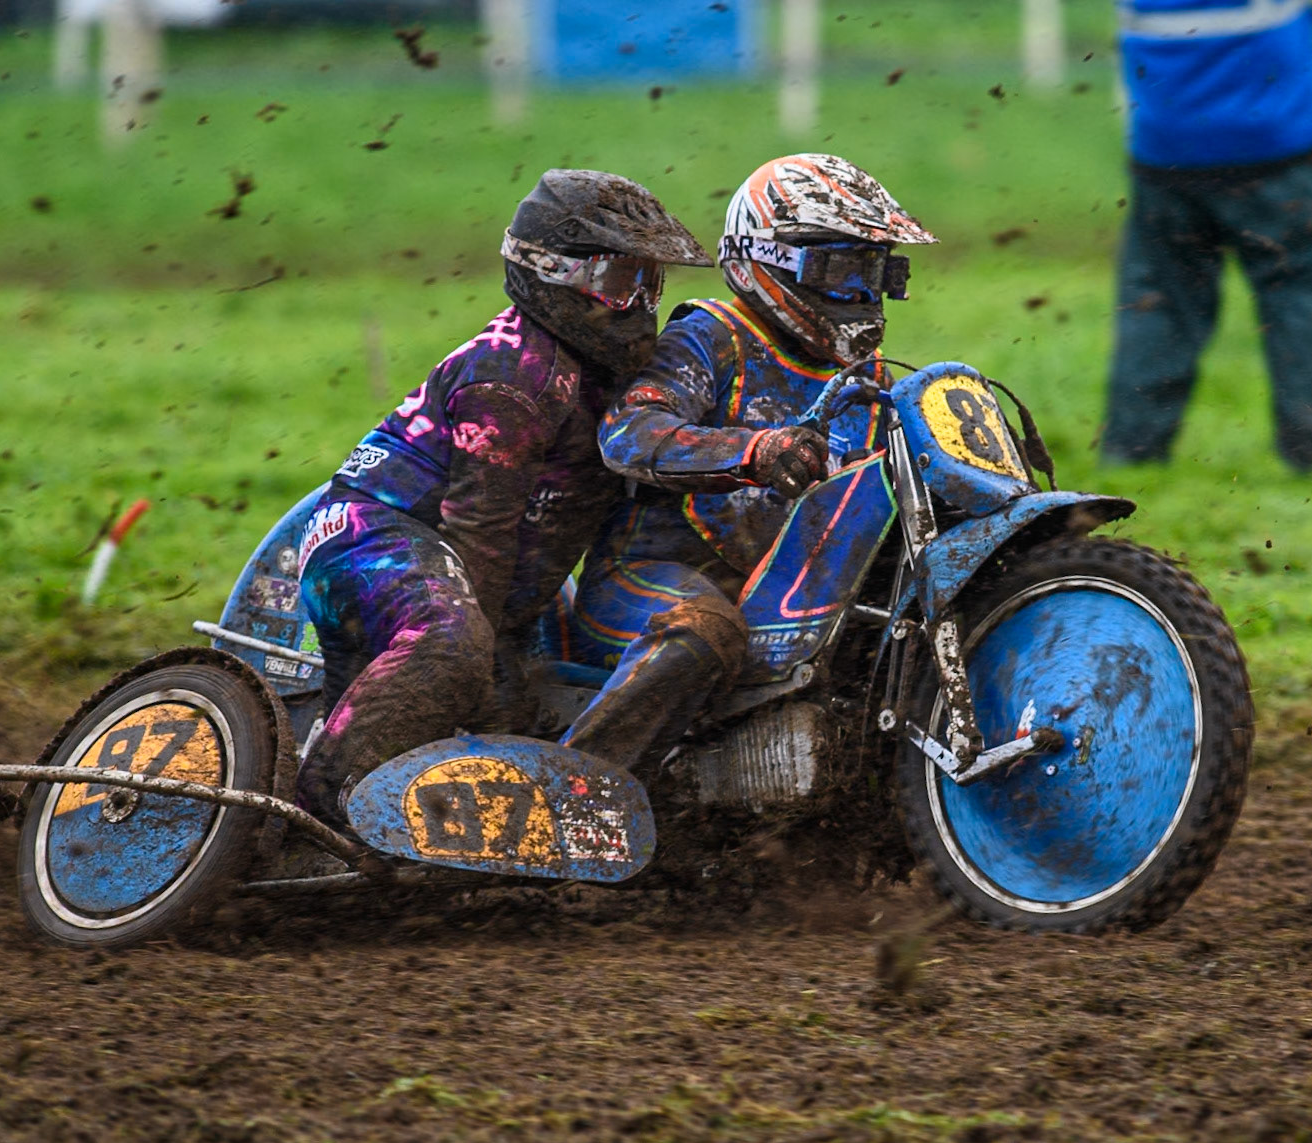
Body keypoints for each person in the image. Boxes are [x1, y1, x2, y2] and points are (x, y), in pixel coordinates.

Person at [294, 170, 710, 827]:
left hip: (469, 576)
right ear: (551, 275)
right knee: (455, 649)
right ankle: (310, 811)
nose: (637, 305)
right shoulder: (513, 375)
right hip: (374, 535)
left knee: (518, 733)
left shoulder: (605, 374)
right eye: (617, 284)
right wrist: (477, 665)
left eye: (647, 283)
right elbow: (480, 535)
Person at [558, 154, 936, 774]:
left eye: (876, 270)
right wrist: (752, 451)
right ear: (769, 260)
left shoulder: (868, 379)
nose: (862, 292)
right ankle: (568, 794)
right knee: (704, 633)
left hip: (779, 590)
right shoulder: (712, 335)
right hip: (647, 577)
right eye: (842, 269)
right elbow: (630, 431)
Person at [1100, 0, 1312, 472]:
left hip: (1165, 149)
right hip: (1274, 149)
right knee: (1299, 292)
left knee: (1160, 302)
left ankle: (1132, 450)